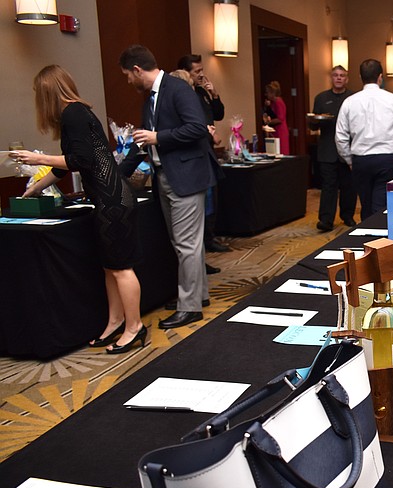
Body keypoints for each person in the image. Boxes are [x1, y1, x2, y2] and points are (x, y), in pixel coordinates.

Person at [13, 65, 145, 354]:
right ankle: (115, 321)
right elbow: (67, 166)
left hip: (112, 200)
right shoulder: (74, 113)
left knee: (121, 268)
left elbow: (79, 160)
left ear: (48, 92)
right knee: (110, 267)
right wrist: (37, 186)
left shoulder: (73, 113)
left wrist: (38, 158)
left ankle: (134, 327)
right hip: (109, 198)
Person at [120, 44, 221, 329]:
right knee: (185, 244)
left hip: (185, 177)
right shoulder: (150, 98)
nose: (128, 81)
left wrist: (158, 137)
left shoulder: (177, 89)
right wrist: (117, 176)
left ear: (138, 70)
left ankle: (189, 307)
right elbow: (143, 142)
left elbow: (197, 128)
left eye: (128, 75)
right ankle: (196, 296)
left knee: (187, 245)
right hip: (166, 176)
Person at [335, 59, 393, 220]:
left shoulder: (349, 102)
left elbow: (340, 137)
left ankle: (367, 241)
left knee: (366, 205)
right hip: (388, 159)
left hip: (361, 161)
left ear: (360, 77)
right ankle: (381, 242)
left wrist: (349, 160)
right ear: (380, 77)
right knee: (382, 207)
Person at [177, 53, 230, 255]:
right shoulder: (183, 97)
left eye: (202, 70)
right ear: (185, 73)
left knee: (211, 197)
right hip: (195, 152)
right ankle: (203, 243)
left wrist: (214, 94)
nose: (201, 75)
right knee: (202, 199)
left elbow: (218, 115)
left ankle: (209, 238)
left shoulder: (201, 93)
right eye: (196, 71)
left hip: (207, 150)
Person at [312, 65, 356, 231]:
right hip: (327, 149)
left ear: (347, 79)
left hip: (349, 149)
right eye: (336, 75)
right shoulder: (321, 98)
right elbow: (313, 123)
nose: (339, 78)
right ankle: (326, 220)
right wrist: (317, 120)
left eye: (342, 75)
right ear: (331, 77)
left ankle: (348, 216)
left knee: (349, 186)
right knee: (328, 186)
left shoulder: (353, 98)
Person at [263, 81, 290, 155]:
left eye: (267, 93)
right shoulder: (273, 103)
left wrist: (268, 123)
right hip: (275, 131)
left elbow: (280, 119)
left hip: (280, 132)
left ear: (272, 93)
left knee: (281, 152)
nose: (266, 95)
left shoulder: (278, 102)